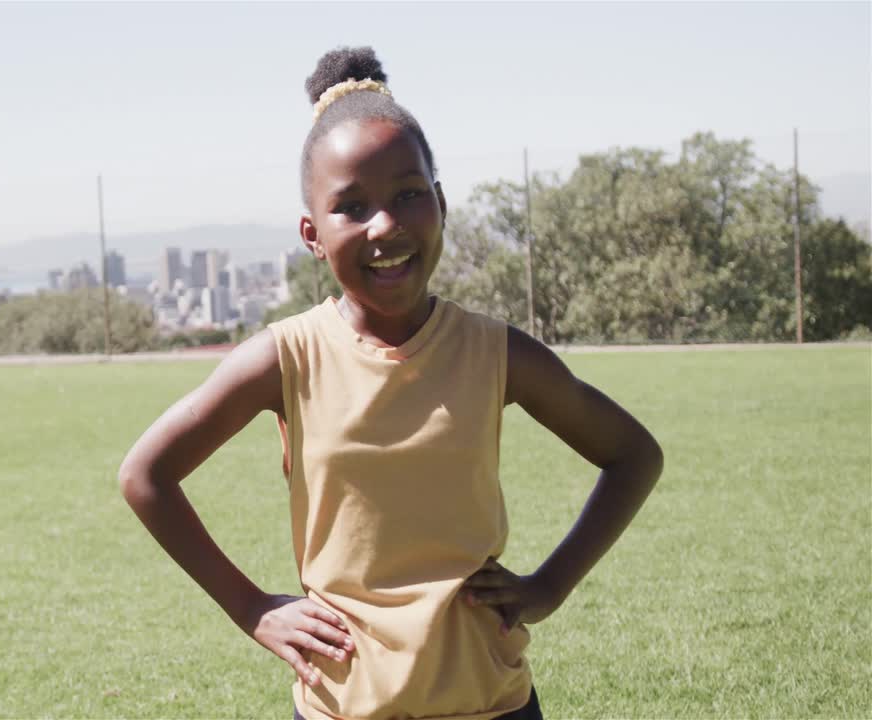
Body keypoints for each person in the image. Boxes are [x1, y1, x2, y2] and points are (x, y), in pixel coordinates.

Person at [118, 46, 664, 720]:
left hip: (488, 702)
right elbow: (146, 474)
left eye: (409, 194)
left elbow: (634, 453)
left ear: (439, 203)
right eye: (351, 206)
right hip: (343, 706)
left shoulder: (496, 352)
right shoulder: (285, 358)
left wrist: (550, 584)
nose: (386, 225)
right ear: (312, 235)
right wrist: (252, 608)